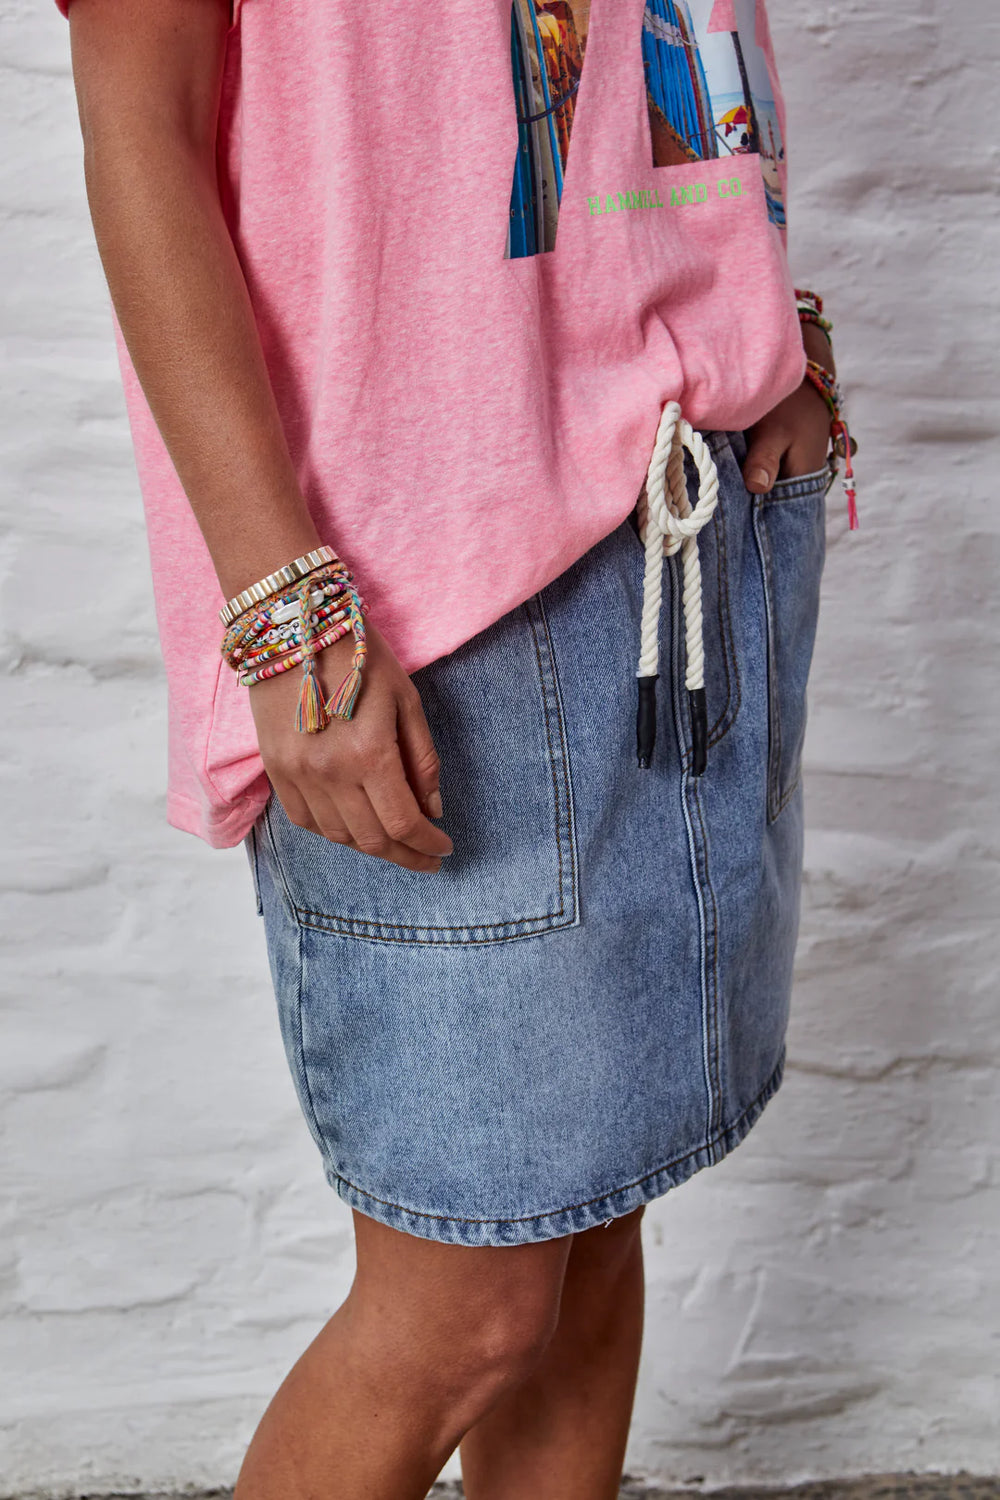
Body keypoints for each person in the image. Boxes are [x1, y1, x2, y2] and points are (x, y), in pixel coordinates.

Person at [57, 0, 850, 1495]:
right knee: (463, 1311)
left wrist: (763, 330)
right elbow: (138, 128)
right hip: (425, 595)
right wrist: (281, 597)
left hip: (694, 511)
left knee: (593, 1225)